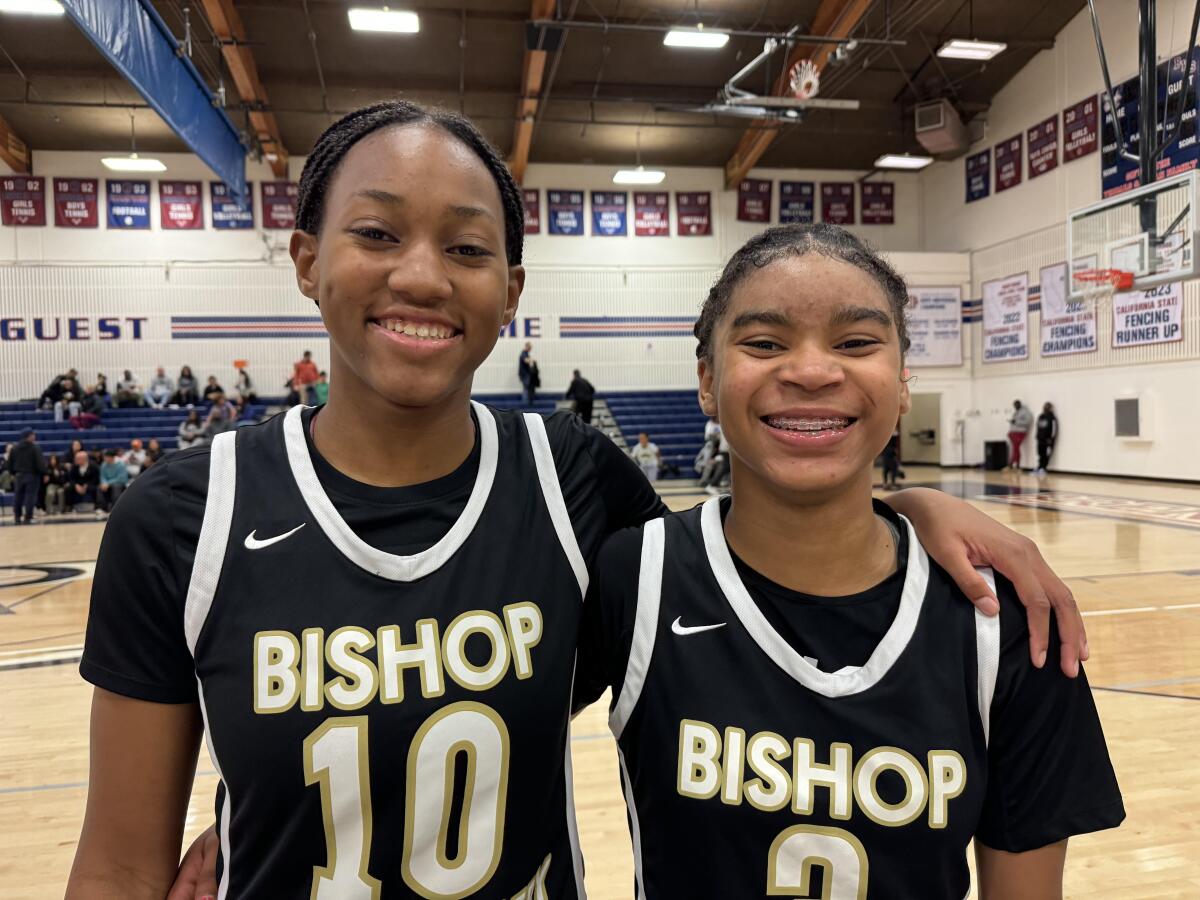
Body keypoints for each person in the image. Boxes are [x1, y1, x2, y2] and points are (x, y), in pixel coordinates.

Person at [71, 100, 1084, 900]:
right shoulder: (180, 518)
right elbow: (119, 866)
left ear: (510, 292)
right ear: (306, 260)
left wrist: (908, 507)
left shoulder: (573, 479)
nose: (421, 276)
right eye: (376, 234)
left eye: (467, 250)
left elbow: (761, 564)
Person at [575, 224, 1123, 899]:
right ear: (708, 382)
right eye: (765, 343)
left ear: (900, 384)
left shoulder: (1007, 620)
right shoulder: (634, 578)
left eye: (856, 342)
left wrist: (910, 503)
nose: (811, 371)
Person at [7, 428, 46, 525]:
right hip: (32, 475)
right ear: (29, 436)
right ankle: (28, 517)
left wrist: (13, 473)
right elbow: (40, 463)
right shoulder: (35, 448)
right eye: (33, 435)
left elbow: (9, 463)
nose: (34, 437)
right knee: (30, 497)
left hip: (18, 476)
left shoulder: (14, 448)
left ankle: (17, 517)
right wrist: (43, 473)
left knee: (18, 497)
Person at [67, 449, 99, 513]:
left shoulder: (94, 466)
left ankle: (96, 506)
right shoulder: (74, 467)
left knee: (95, 489)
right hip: (78, 485)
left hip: (90, 484)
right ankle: (70, 507)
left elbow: (96, 479)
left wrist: (87, 485)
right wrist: (76, 485)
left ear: (84, 459)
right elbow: (71, 478)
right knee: (69, 488)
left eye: (77, 459)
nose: (75, 460)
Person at [1007, 399, 1033, 470]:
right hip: (1013, 432)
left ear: (1019, 404)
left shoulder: (1025, 412)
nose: (1015, 407)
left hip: (1020, 433)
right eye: (1014, 405)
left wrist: (1016, 421)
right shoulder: (1016, 412)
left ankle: (1013, 463)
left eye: (1016, 405)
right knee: (1015, 448)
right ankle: (1014, 464)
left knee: (1016, 448)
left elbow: (1027, 422)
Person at [1036, 402, 1058, 476]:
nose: (1045, 408)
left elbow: (1054, 429)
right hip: (1040, 439)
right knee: (1040, 453)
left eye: (1047, 407)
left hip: (1047, 440)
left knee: (1046, 454)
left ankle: (1044, 468)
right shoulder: (1041, 416)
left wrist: (1051, 438)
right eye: (1045, 406)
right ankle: (1039, 467)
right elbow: (1038, 427)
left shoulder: (1052, 418)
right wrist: (1037, 436)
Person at [880, 422, 902, 490]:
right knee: (892, 468)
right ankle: (892, 483)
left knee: (886, 469)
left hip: (886, 452)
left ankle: (886, 483)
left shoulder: (886, 432)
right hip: (890, 452)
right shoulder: (892, 432)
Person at [518, 341, 536, 405]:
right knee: (526, 387)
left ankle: (525, 401)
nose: (531, 349)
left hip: (525, 373)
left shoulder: (526, 353)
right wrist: (531, 360)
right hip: (524, 374)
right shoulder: (524, 353)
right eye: (530, 347)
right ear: (527, 347)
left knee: (526, 387)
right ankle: (525, 403)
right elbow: (525, 360)